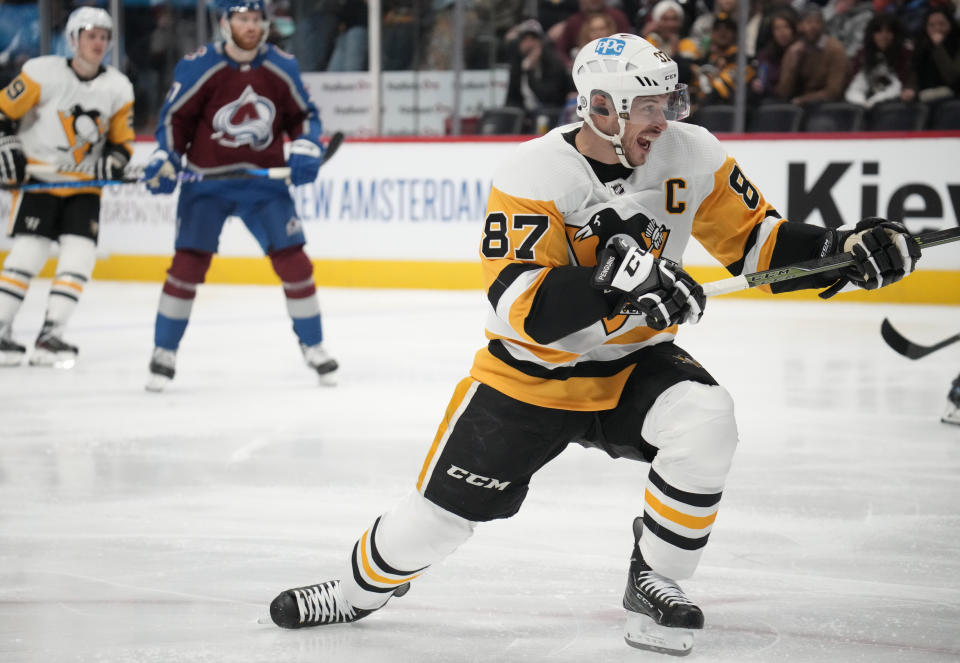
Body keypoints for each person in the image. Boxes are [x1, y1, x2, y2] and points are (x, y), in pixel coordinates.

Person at [267, 33, 921, 656]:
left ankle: (655, 574)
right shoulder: (534, 171)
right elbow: (519, 303)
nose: (661, 119)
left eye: (667, 102)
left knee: (707, 417)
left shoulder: (692, 153)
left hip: (634, 363)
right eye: (645, 106)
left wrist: (841, 252)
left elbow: (761, 245)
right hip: (531, 372)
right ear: (599, 107)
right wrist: (618, 282)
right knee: (431, 524)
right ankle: (355, 592)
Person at [141, 0, 337, 392]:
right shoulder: (199, 65)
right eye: (242, 18)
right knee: (187, 267)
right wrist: (166, 155)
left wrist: (306, 145)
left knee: (295, 263)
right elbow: (174, 120)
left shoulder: (282, 65)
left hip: (263, 185)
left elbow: (304, 116)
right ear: (224, 22)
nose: (250, 25)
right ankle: (164, 351)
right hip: (206, 184)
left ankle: (313, 345)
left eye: (255, 19)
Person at [0, 6, 134, 368]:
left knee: (79, 256)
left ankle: (51, 334)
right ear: (73, 39)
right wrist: (6, 144)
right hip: (40, 182)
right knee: (28, 253)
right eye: (91, 36)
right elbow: (2, 114)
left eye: (104, 37)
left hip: (85, 186)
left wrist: (116, 160)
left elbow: (122, 142)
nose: (98, 43)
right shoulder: (40, 73)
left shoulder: (118, 87)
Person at [776, 3, 849, 107]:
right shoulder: (795, 49)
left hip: (829, 106)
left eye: (817, 22)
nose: (813, 26)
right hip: (799, 106)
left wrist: (802, 100)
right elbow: (783, 92)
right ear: (799, 26)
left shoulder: (835, 49)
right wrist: (792, 64)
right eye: (808, 22)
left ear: (823, 25)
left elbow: (834, 91)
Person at [844, 13, 915, 108]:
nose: (883, 36)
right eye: (878, 31)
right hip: (866, 104)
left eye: (888, 31)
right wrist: (862, 102)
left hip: (896, 105)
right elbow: (856, 86)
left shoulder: (906, 53)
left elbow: (906, 83)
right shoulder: (863, 54)